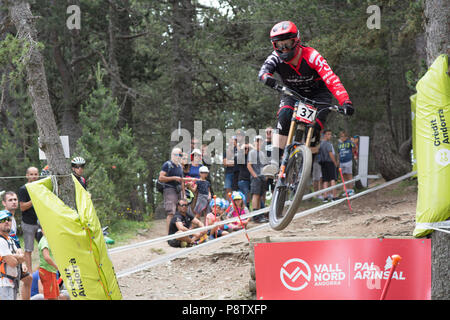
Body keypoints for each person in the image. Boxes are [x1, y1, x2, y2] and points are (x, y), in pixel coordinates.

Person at [258, 21, 354, 178]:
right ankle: (275, 163)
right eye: (279, 45)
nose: (284, 49)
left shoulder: (312, 56)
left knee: (316, 126)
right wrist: (267, 78)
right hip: (293, 93)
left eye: (287, 44)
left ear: (296, 41)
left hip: (319, 94)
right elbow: (263, 71)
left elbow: (332, 80)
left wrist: (345, 101)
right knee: (284, 116)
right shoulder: (275, 57)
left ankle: (306, 161)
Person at [1, 192, 33, 300]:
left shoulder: (12, 219)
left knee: (28, 278)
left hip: (12, 253)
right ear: (4, 203)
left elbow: (15, 241)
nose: (14, 202)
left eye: (15, 199)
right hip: (6, 257)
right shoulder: (4, 219)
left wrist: (22, 259)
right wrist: (20, 259)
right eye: (10, 200)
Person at [18, 166, 40, 274]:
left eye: (36, 174)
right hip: (28, 223)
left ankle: (43, 270)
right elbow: (22, 207)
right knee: (28, 249)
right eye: (31, 174)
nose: (34, 176)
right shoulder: (23, 189)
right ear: (27, 175)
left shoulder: (41, 187)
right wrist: (33, 200)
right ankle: (30, 273)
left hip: (41, 222)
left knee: (44, 247)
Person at [0, 210, 25, 300]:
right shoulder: (1, 241)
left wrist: (12, 256)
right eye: (2, 220)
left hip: (12, 281)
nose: (6, 221)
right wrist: (17, 256)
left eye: (8, 219)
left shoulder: (10, 239)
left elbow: (23, 258)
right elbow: (13, 263)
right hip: (3, 283)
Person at [159, 147, 185, 233]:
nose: (180, 156)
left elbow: (182, 181)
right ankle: (169, 234)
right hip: (169, 189)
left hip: (179, 190)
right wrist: (173, 178)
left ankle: (177, 232)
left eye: (181, 155)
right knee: (171, 212)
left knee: (180, 211)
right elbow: (161, 178)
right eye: (179, 155)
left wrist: (184, 194)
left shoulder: (180, 166)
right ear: (173, 155)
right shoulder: (167, 164)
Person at [247, 135, 269, 222]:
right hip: (256, 177)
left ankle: (260, 215)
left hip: (263, 177)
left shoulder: (263, 153)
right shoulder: (252, 152)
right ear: (254, 142)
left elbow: (265, 166)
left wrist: (266, 175)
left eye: (260, 141)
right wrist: (255, 175)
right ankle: (255, 215)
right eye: (257, 141)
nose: (258, 142)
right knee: (255, 195)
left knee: (260, 196)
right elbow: (249, 165)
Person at [38, 228, 60, 300]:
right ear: (42, 230)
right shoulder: (45, 241)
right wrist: (57, 267)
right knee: (51, 297)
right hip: (47, 271)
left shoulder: (47, 240)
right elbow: (46, 257)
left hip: (51, 271)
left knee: (55, 296)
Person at [319, 130, 338, 202]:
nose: (330, 136)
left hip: (323, 163)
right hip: (329, 162)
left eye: (330, 134)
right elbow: (330, 153)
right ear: (325, 135)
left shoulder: (321, 144)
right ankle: (334, 196)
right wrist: (335, 162)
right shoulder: (328, 144)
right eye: (328, 134)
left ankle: (325, 197)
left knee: (325, 180)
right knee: (332, 179)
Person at [337, 131, 356, 196]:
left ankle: (351, 190)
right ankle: (346, 190)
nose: (342, 138)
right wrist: (338, 161)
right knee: (344, 176)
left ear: (346, 137)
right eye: (341, 136)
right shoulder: (339, 144)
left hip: (348, 161)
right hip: (342, 162)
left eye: (343, 136)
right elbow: (339, 153)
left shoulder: (349, 142)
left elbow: (354, 148)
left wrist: (351, 154)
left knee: (349, 175)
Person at [237, 143, 251, 208]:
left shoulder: (250, 156)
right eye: (245, 149)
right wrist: (242, 149)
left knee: (248, 196)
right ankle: (244, 211)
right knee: (245, 196)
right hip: (243, 180)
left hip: (249, 180)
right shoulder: (240, 157)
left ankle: (245, 210)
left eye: (248, 149)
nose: (247, 150)